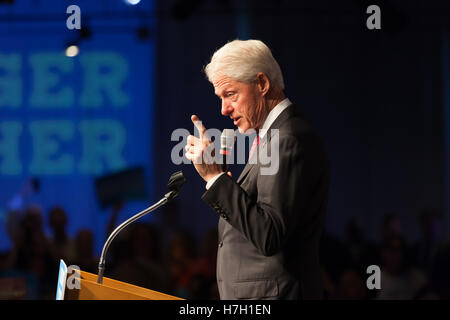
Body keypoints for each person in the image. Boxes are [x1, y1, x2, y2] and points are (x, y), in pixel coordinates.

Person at [184, 39, 330, 299]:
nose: (224, 109)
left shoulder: (288, 139)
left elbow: (269, 235)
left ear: (262, 84)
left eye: (230, 95)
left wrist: (216, 178)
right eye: (221, 98)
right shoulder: (274, 136)